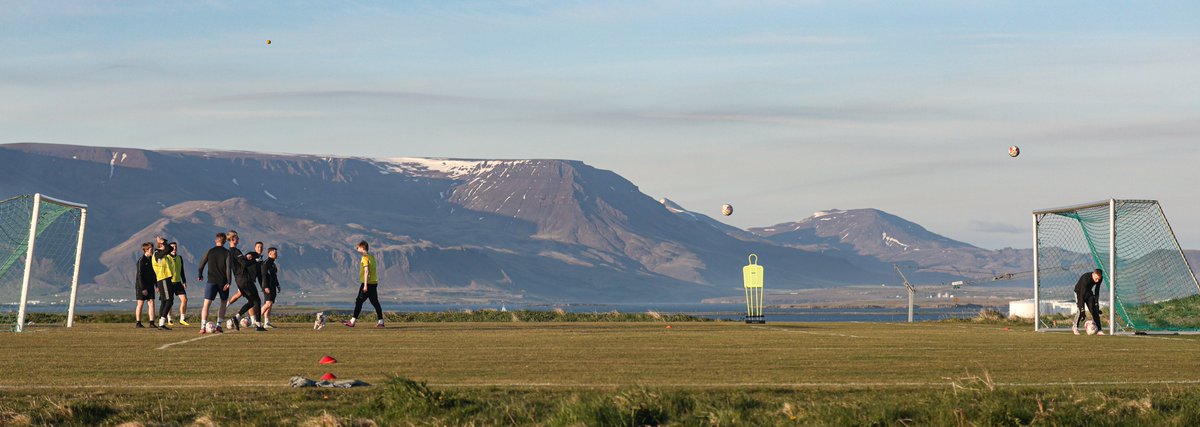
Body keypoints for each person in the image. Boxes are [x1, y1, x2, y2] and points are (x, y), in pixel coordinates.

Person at [226, 231, 266, 332]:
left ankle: (236, 317)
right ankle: (258, 325)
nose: (238, 239)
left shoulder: (229, 252)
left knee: (252, 301)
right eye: (237, 237)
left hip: (238, 280)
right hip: (244, 279)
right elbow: (244, 263)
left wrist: (245, 258)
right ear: (233, 239)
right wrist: (254, 260)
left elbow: (239, 263)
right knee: (257, 301)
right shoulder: (235, 251)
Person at [196, 232, 232, 333]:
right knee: (223, 303)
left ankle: (203, 327)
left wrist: (200, 274)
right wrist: (229, 281)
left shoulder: (210, 251)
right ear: (225, 241)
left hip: (211, 281)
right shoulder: (227, 252)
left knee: (206, 304)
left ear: (216, 240)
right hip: (223, 282)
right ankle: (219, 325)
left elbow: (201, 264)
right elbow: (228, 268)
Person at [344, 240, 384, 328]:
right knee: (375, 302)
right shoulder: (372, 257)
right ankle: (381, 322)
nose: (357, 249)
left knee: (359, 301)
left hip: (367, 283)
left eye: (358, 247)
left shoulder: (365, 258)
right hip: (374, 283)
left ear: (362, 248)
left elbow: (366, 271)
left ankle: (352, 321)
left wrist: (365, 285)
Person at [151, 237, 175, 330]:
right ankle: (161, 324)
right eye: (164, 244)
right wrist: (162, 241)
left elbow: (170, 248)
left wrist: (164, 242)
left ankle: (161, 324)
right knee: (169, 301)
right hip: (163, 279)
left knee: (164, 301)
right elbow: (169, 248)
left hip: (166, 279)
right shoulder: (157, 253)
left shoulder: (162, 254)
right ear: (161, 245)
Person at [1074, 268, 1105, 336]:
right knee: (1080, 311)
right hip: (1079, 292)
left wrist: (1097, 305)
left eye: (1098, 279)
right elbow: (1082, 295)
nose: (1097, 281)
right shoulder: (1086, 278)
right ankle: (1075, 327)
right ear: (1093, 274)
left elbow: (1097, 291)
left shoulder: (1100, 278)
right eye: (1096, 278)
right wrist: (1082, 309)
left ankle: (1099, 330)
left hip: (1089, 293)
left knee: (1094, 310)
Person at [166, 242, 189, 326]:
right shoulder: (167, 258)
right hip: (169, 283)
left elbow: (181, 270)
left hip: (178, 282)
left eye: (175, 247)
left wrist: (184, 281)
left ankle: (182, 319)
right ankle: (169, 319)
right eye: (172, 247)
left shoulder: (180, 257)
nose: (174, 248)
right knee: (170, 302)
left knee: (185, 300)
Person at [134, 242, 156, 328]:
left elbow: (154, 274)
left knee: (151, 302)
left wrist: (156, 285)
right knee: (140, 303)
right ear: (146, 250)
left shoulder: (152, 260)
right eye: (151, 249)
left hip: (150, 285)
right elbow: (140, 275)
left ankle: (151, 322)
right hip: (141, 286)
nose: (152, 251)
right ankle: (138, 322)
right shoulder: (141, 260)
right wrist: (143, 288)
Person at [260, 247, 281, 328]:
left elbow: (274, 276)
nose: (276, 255)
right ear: (269, 254)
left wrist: (277, 285)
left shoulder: (273, 263)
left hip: (272, 286)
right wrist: (265, 286)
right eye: (274, 253)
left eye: (276, 253)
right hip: (267, 286)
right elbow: (264, 275)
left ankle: (266, 323)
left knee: (270, 304)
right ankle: (256, 320)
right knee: (268, 303)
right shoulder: (266, 263)